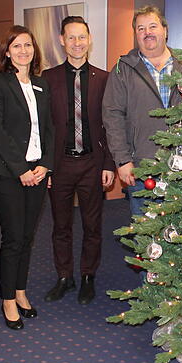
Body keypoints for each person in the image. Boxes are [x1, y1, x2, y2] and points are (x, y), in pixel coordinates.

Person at [0, 25, 54, 330]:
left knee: (27, 236)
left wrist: (46, 165)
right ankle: (7, 298)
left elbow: (49, 127)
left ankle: (21, 290)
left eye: (28, 45)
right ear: (6, 51)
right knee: (12, 237)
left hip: (37, 171)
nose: (24, 51)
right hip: (7, 173)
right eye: (17, 46)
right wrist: (21, 169)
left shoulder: (40, 84)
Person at [42, 16, 115, 304]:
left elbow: (110, 125)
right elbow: (43, 126)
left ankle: (87, 275)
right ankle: (64, 276)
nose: (77, 43)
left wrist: (109, 164)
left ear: (89, 39)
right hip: (59, 165)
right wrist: (45, 166)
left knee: (92, 224)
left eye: (81, 37)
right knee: (60, 226)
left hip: (92, 164)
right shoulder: (47, 79)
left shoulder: (104, 78)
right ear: (61, 40)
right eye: (71, 37)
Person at [102, 5, 182, 217]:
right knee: (146, 235)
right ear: (135, 35)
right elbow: (112, 117)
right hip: (142, 167)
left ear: (165, 30)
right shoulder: (123, 69)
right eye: (140, 29)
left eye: (152, 26)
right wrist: (122, 160)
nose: (147, 32)